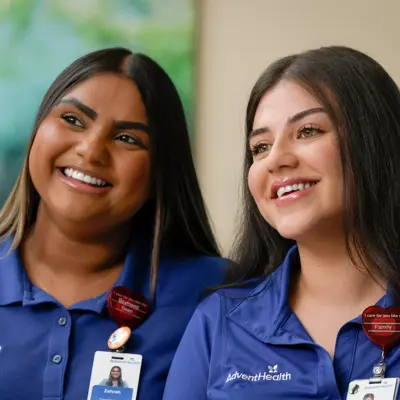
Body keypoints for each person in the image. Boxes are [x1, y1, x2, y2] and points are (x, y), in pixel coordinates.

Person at [163, 46, 400, 399]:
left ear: (376, 140)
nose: (275, 160)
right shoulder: (219, 322)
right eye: (260, 147)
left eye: (307, 131)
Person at [0, 48, 227, 399]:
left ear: (159, 175)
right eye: (73, 119)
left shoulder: (217, 295)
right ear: (37, 132)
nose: (91, 150)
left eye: (127, 139)